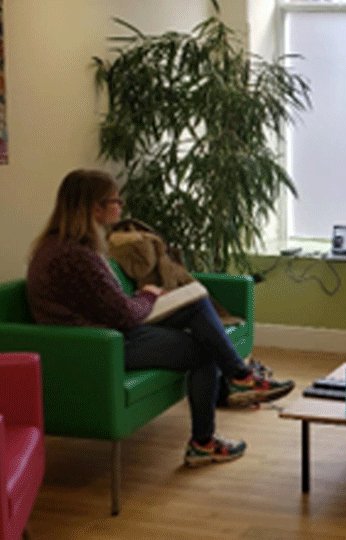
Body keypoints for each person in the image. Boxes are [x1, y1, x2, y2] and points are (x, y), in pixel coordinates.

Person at [26, 169, 295, 467]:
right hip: (104, 345)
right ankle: (211, 429)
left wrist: (144, 298)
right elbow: (125, 315)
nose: (121, 206)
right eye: (116, 200)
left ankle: (239, 381)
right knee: (204, 349)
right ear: (95, 207)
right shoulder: (75, 256)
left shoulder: (60, 246)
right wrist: (149, 295)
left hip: (107, 333)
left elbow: (108, 306)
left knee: (195, 300)